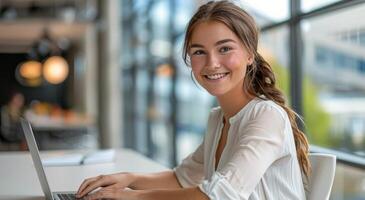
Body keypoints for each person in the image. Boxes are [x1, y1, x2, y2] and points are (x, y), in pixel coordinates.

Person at [76, 1, 310, 199]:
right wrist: (129, 178)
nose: (212, 63)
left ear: (250, 54)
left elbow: (219, 194)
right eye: (199, 52)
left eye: (225, 49)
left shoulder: (266, 115)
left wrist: (133, 197)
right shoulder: (218, 118)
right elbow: (181, 178)